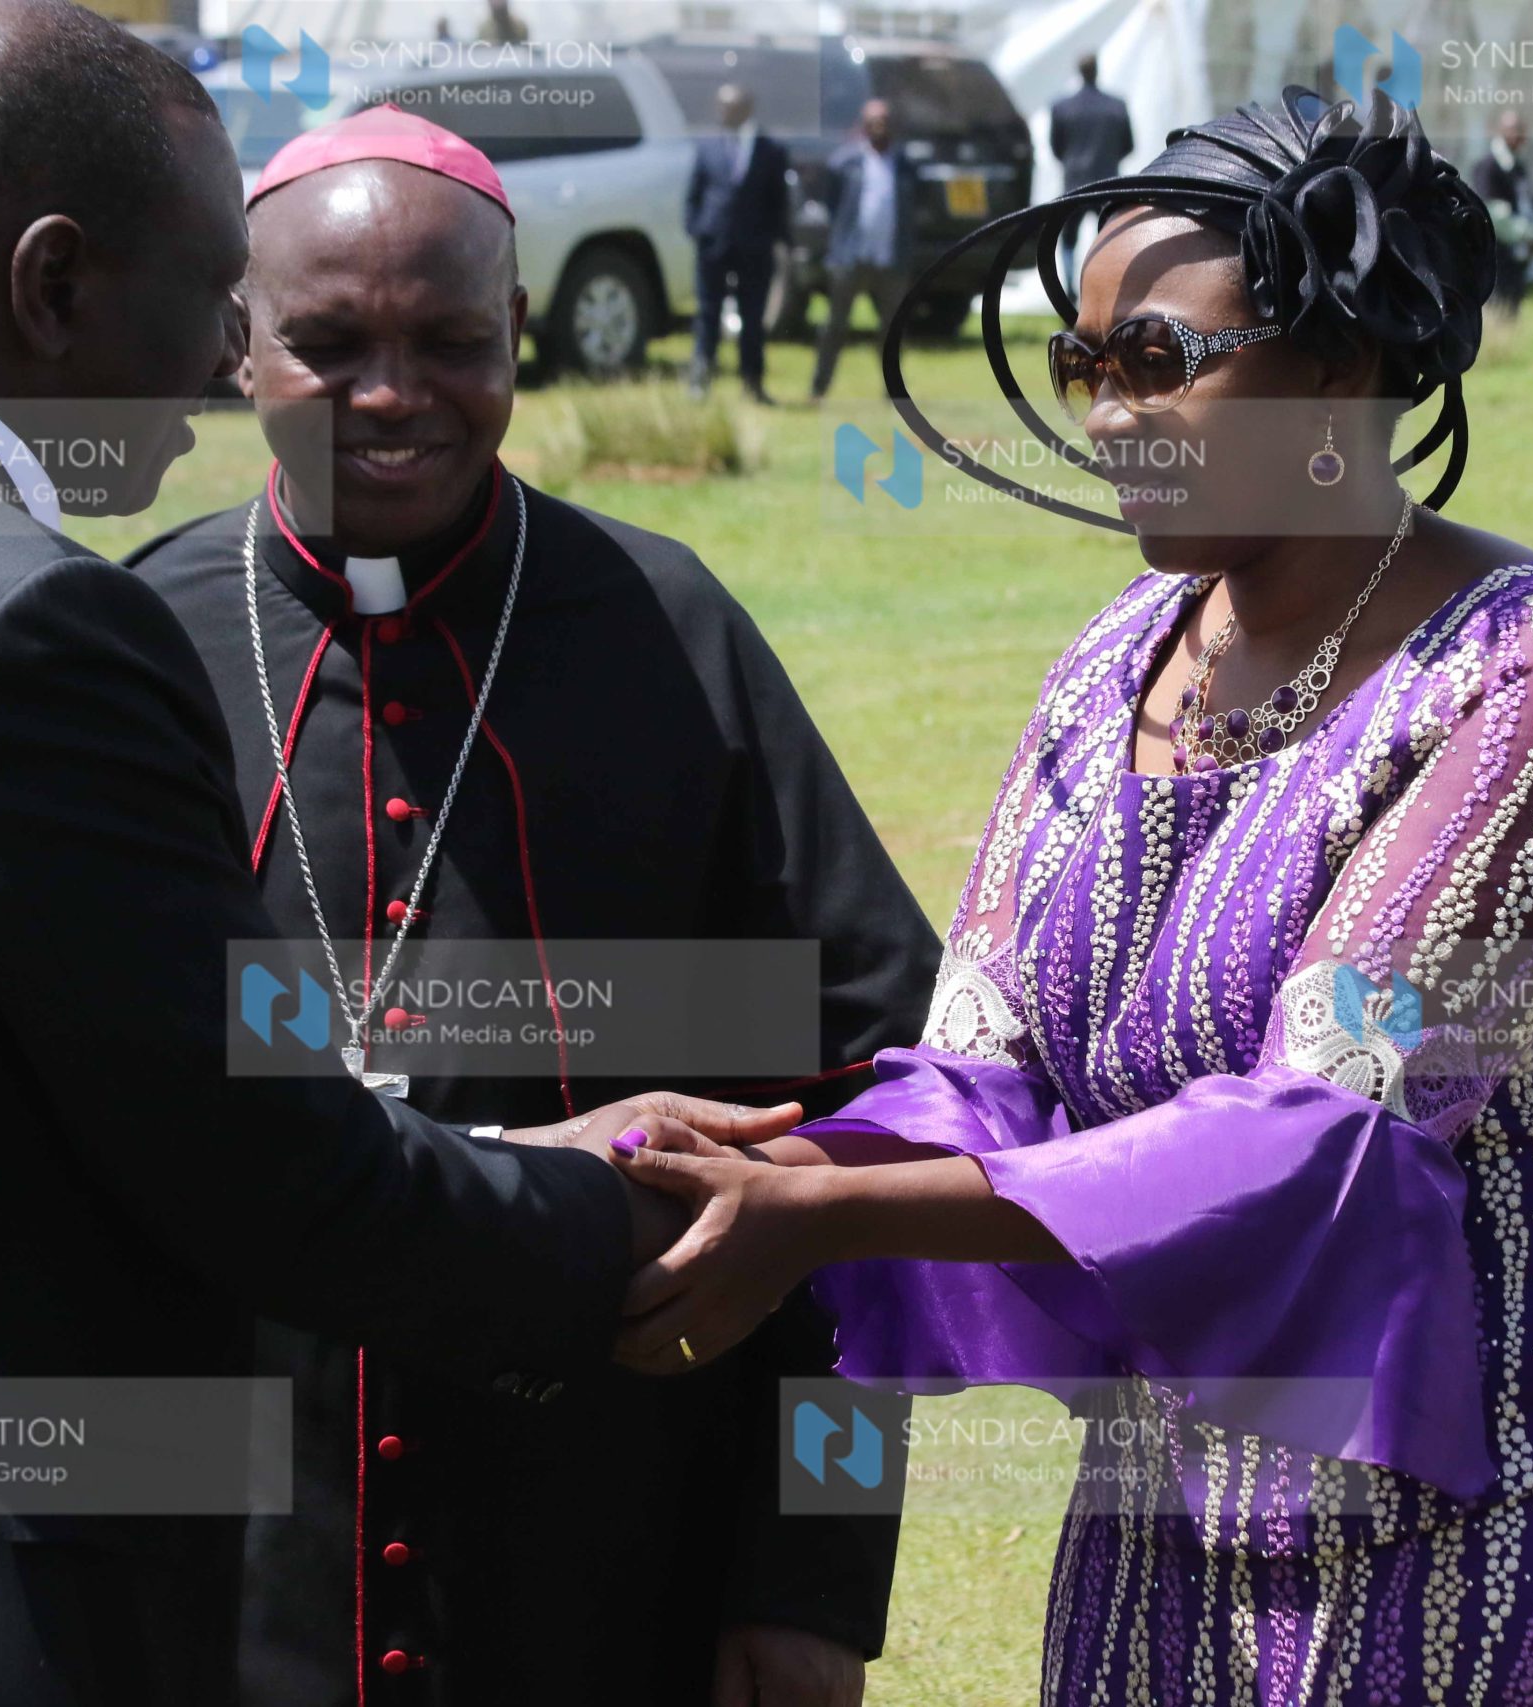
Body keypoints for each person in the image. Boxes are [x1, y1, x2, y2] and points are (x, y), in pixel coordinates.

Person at [609, 86, 1533, 1704]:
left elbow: (1324, 1127)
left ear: (1339, 370)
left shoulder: (1526, 673)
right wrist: (782, 1158)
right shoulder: (1119, 660)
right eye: (1085, 365)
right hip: (1181, 1500)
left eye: (1159, 360)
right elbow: (985, 1057)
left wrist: (823, 1212)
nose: (1107, 414)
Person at [0, 4, 763, 1699]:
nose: (227, 371)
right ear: (55, 287)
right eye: (218, 304)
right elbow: (278, 1179)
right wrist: (608, 1197)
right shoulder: (27, 628)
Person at [125, 103, 939, 1706]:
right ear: (238, 342)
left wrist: (816, 1571)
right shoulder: (129, 649)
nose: (391, 394)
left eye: (449, 339)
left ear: (519, 331)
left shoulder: (668, 630)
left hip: (611, 1554)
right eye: (329, 340)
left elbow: (884, 1114)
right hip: (219, 1579)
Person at [685, 83, 791, 403]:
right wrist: (697, 229)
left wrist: (774, 238)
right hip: (713, 242)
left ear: (746, 109)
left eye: (730, 107)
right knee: (708, 313)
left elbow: (778, 202)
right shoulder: (707, 147)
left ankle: (753, 382)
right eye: (720, 107)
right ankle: (701, 379)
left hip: (754, 245)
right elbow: (694, 194)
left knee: (753, 315)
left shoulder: (770, 150)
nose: (723, 113)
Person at [811, 98, 913, 401]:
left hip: (890, 258)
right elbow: (831, 203)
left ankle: (892, 391)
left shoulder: (905, 165)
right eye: (873, 122)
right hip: (851, 258)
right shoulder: (845, 162)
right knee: (835, 326)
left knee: (892, 330)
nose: (879, 128)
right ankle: (819, 388)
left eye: (884, 121)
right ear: (863, 126)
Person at [1047, 52, 1133, 283]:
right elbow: (1128, 145)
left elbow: (1056, 148)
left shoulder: (1062, 107)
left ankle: (1070, 289)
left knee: (1068, 241)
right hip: (1106, 182)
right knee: (1107, 238)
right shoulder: (1116, 106)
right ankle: (1103, 285)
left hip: (1075, 182)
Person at [1470, 108, 1533, 318]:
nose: (1520, 136)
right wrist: (1528, 234)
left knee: (1513, 309)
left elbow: (1524, 203)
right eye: (1515, 130)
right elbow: (1494, 214)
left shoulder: (1517, 166)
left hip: (1516, 254)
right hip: (1498, 254)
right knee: (1498, 310)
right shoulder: (1488, 167)